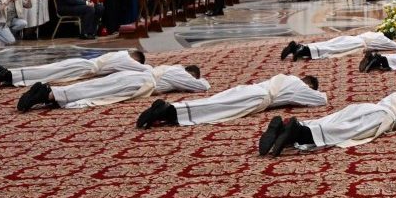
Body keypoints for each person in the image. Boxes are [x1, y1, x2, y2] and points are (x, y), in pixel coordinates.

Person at [259, 87, 396, 157]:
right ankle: (297, 133)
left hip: (366, 106)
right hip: (380, 116)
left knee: (330, 120)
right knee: (340, 131)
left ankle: (284, 131)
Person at [135, 73, 326, 128]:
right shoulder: (299, 86)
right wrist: (315, 91)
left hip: (249, 88)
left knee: (213, 101)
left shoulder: (284, 77)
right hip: (257, 97)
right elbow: (321, 100)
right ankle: (169, 112)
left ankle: (171, 110)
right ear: (307, 84)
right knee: (217, 110)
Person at [16, 64, 209, 112]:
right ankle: (48, 95)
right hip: (139, 83)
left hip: (133, 76)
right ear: (189, 72)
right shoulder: (181, 74)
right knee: (97, 91)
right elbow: (201, 87)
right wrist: (200, 80)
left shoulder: (171, 68)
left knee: (95, 85)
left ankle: (48, 93)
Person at [0, 49, 147, 90]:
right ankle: (7, 74)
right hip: (84, 67)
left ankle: (8, 75)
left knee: (47, 70)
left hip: (82, 64)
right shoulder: (127, 59)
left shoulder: (120, 53)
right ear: (135, 58)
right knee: (46, 72)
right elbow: (146, 69)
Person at [281, 31, 396, 61]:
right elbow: (395, 46)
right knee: (330, 49)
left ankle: (299, 47)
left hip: (351, 38)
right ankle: (302, 50)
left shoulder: (373, 33)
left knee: (328, 44)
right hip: (356, 44)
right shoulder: (382, 38)